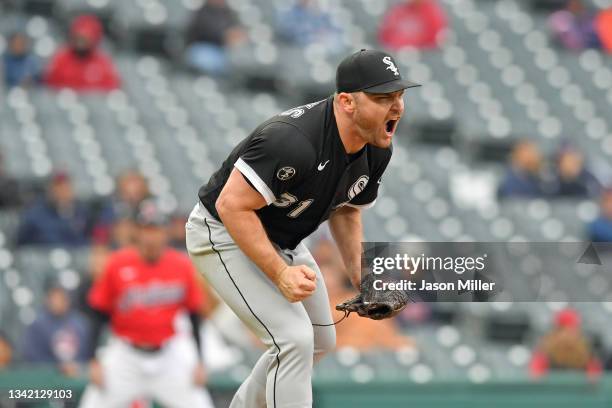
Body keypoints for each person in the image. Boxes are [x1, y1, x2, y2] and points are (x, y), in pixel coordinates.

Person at [186, 49, 419, 408]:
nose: (397, 107)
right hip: (222, 233)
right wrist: (280, 273)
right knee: (293, 339)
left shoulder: (376, 150)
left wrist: (365, 280)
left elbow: (347, 213)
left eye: (400, 95)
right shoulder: (293, 140)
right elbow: (231, 206)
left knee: (320, 341)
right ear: (346, 102)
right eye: (382, 98)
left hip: (282, 238)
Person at [79, 200, 213, 408]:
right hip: (125, 356)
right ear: (137, 232)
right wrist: (93, 360)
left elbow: (194, 315)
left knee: (201, 404)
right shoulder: (117, 263)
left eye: (156, 229)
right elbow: (97, 315)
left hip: (168, 355)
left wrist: (200, 360)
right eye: (146, 229)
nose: (151, 236)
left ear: (165, 232)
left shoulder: (181, 265)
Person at [21, 281, 91, 377]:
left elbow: (87, 354)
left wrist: (77, 366)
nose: (57, 302)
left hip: (77, 375)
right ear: (47, 300)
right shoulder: (37, 325)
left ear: (67, 300)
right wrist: (57, 368)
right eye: (54, 299)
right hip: (47, 378)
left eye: (61, 299)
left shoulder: (80, 323)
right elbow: (34, 356)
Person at [16, 171, 94, 247]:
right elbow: (22, 244)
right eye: (58, 187)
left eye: (65, 187)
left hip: (76, 258)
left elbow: (88, 240)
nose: (62, 192)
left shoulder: (81, 213)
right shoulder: (34, 215)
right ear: (50, 190)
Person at [45, 14, 120, 92]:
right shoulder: (60, 59)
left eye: (85, 38)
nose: (81, 42)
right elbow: (50, 88)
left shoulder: (103, 63)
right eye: (78, 37)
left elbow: (111, 89)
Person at [529, 308, 602, 379]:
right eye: (563, 329)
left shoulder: (586, 352)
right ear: (556, 332)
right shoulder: (545, 351)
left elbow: (595, 377)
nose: (567, 334)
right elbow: (536, 377)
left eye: (572, 330)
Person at [184, 0, 246, 75]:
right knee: (205, 60)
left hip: (222, 50)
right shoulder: (201, 12)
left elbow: (236, 30)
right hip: (202, 48)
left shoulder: (228, 12)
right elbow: (203, 31)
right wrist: (224, 36)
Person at [276, 0, 343, 53]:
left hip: (323, 48)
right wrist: (314, 37)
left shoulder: (320, 14)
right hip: (300, 50)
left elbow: (336, 32)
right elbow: (292, 35)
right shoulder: (289, 14)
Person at [378, 0, 447, 51]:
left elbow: (434, 41)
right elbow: (386, 36)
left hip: (422, 55)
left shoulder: (432, 11)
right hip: (396, 53)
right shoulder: (399, 10)